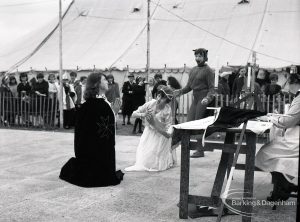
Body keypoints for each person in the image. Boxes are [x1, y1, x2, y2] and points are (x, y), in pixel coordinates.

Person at [59, 72, 124, 187]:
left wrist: (114, 111)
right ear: (96, 84)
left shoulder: (101, 103)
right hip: (93, 154)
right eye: (104, 80)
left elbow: (105, 128)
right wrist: (113, 111)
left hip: (102, 152)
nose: (108, 81)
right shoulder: (91, 106)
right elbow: (97, 130)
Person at [255, 73, 300, 201]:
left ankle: (284, 185)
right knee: (271, 148)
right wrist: (273, 117)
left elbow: (288, 121)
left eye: (286, 83)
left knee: (264, 152)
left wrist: (270, 118)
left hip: (296, 139)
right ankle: (283, 185)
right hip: (294, 135)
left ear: (293, 83)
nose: (285, 86)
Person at [174, 48, 215, 158]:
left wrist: (208, 98)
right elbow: (189, 87)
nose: (197, 58)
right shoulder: (192, 70)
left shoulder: (209, 71)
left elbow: (212, 89)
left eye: (200, 56)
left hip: (203, 99)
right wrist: (180, 91)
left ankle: (200, 150)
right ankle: (187, 146)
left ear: (205, 57)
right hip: (195, 98)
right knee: (189, 122)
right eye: (196, 56)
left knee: (199, 124)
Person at [125, 85, 176, 171]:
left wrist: (155, 124)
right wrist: (143, 114)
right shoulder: (150, 104)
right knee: (145, 155)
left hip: (160, 135)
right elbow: (134, 114)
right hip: (148, 132)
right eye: (163, 100)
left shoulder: (167, 110)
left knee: (156, 161)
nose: (164, 103)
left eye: (167, 102)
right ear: (158, 96)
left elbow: (168, 133)